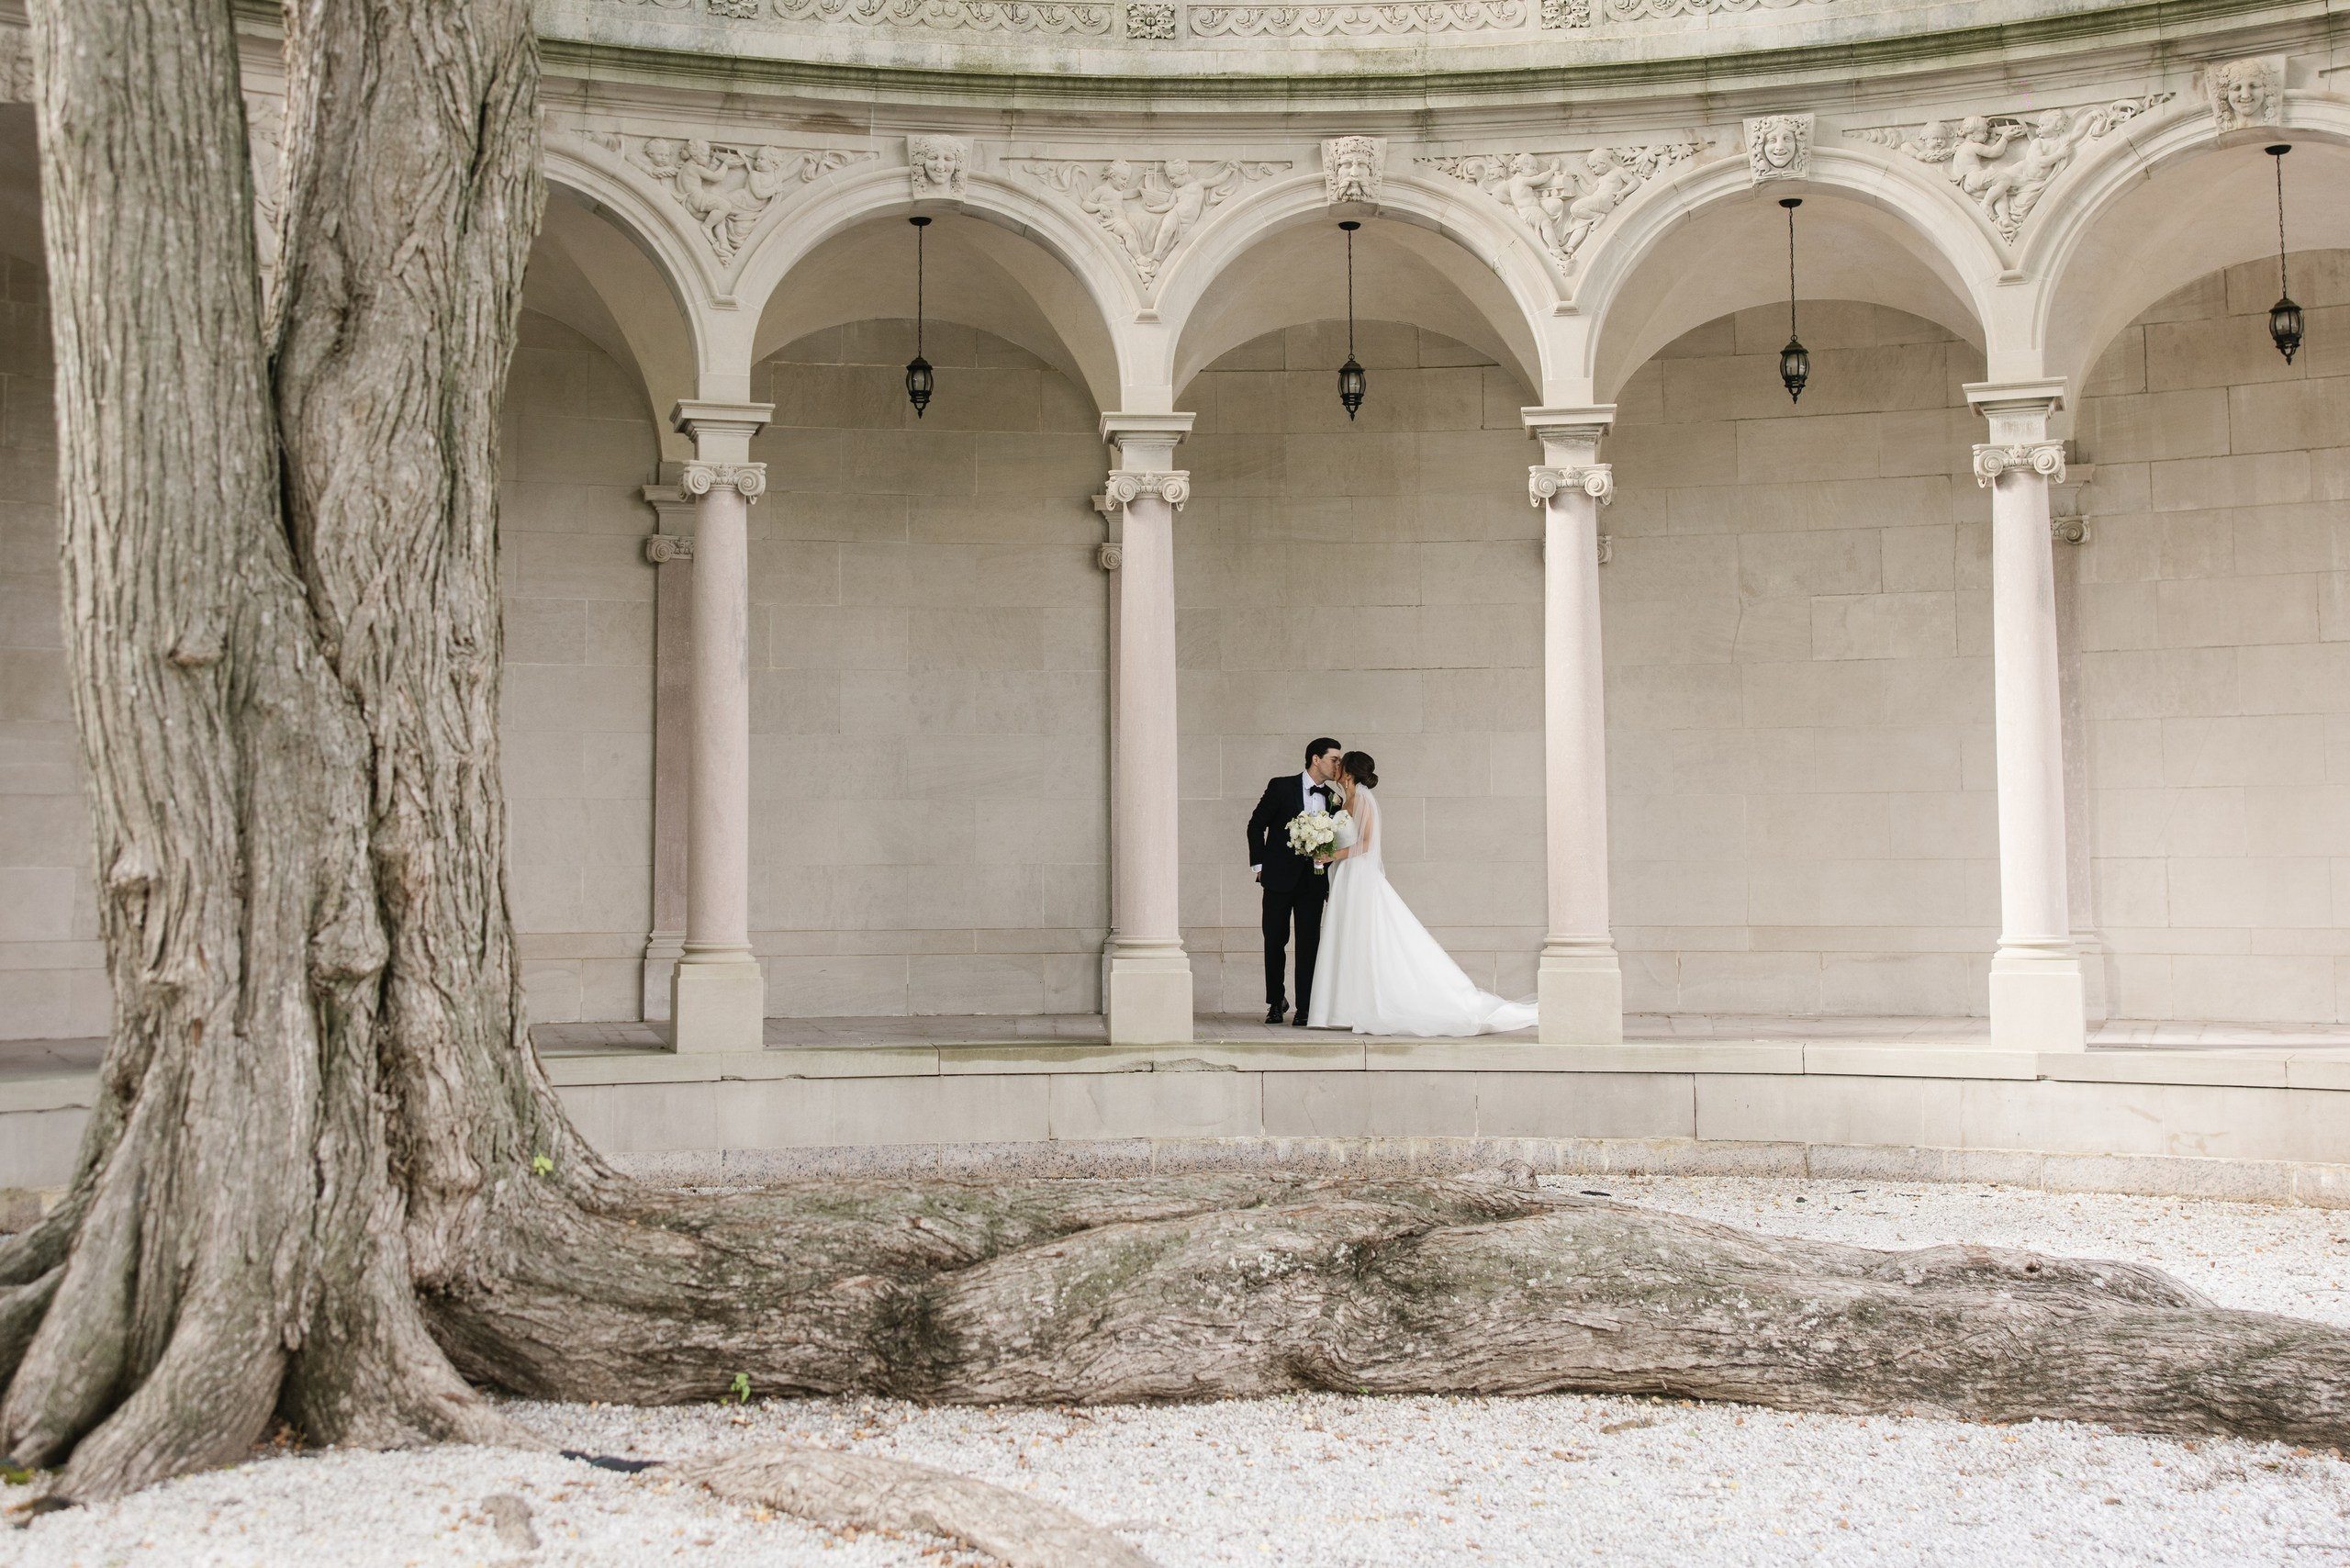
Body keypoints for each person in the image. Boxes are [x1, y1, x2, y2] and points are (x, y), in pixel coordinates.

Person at [1307, 751, 1538, 1037]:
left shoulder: (1363, 800)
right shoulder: (1343, 801)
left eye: (1341, 764)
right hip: (1345, 876)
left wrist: (1332, 855)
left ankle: (1363, 1007)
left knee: (1367, 936)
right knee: (1348, 935)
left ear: (1350, 773)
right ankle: (1343, 1008)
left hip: (1359, 877)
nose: (1336, 767)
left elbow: (1366, 843)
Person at [1245, 738, 1344, 1025]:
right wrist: (1259, 865)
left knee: (1309, 944)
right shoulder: (1281, 786)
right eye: (1334, 759)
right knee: (1274, 940)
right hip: (1277, 878)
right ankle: (1276, 1002)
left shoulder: (1335, 799)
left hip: (1313, 882)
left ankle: (1305, 1008)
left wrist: (1327, 864)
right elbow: (1256, 825)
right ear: (1316, 759)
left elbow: (1337, 841)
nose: (1338, 765)